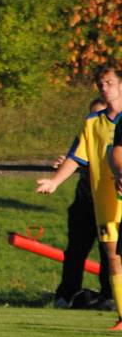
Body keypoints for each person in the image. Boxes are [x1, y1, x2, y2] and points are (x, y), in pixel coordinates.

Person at [37, 63, 122, 330]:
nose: (105, 88)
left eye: (109, 83)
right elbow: (76, 156)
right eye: (101, 84)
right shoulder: (92, 123)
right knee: (112, 255)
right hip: (105, 198)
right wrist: (55, 181)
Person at [53, 97, 112, 309]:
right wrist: (64, 169)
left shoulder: (114, 138)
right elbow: (77, 157)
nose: (96, 119)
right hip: (85, 203)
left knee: (110, 252)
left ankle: (110, 295)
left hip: (109, 203)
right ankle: (66, 294)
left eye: (100, 114)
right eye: (93, 114)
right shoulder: (89, 133)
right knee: (75, 251)